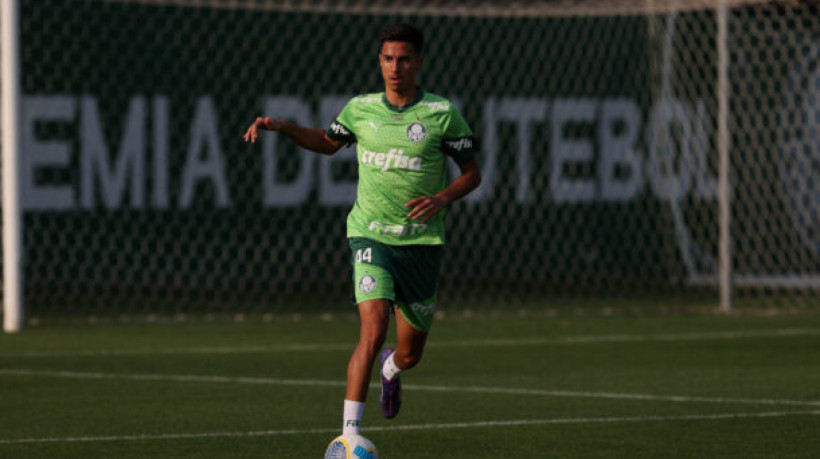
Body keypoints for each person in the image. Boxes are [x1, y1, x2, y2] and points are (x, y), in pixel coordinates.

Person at [243, 23, 481, 436]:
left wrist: (442, 198)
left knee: (410, 354)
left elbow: (472, 174)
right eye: (388, 59)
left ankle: (392, 368)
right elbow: (326, 141)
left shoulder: (441, 114)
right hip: (370, 236)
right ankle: (348, 438)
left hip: (421, 244)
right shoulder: (360, 109)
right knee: (372, 329)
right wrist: (283, 127)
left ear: (418, 62)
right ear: (379, 61)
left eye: (403, 59)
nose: (395, 68)